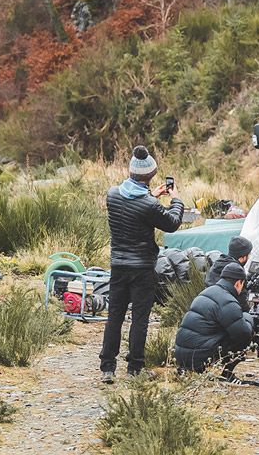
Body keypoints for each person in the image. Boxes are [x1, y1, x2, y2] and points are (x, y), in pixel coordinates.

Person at [100, 145, 185, 383]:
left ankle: (107, 367)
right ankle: (134, 369)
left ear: (131, 172)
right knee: (140, 319)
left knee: (114, 316)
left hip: (118, 266)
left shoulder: (112, 194)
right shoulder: (149, 205)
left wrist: (150, 195)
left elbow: (131, 205)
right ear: (150, 175)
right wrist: (176, 199)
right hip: (142, 269)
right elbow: (171, 222)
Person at [174, 261, 255, 380]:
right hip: (197, 359)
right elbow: (243, 333)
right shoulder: (228, 301)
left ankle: (188, 368)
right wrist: (248, 316)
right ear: (238, 283)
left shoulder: (207, 291)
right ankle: (226, 373)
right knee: (242, 339)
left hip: (181, 355)